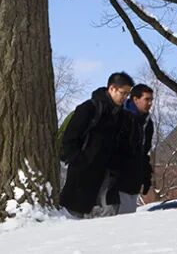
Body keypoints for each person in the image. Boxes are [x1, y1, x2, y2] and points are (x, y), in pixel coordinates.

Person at [59, 72, 135, 217]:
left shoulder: (121, 116)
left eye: (127, 94)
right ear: (112, 88)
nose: (125, 97)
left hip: (107, 176)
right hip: (82, 175)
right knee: (75, 216)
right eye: (123, 93)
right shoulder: (89, 109)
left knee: (108, 216)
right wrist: (80, 160)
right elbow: (69, 139)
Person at [114, 83, 155, 214]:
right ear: (135, 99)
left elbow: (144, 152)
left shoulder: (148, 123)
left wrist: (146, 174)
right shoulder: (119, 117)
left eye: (151, 100)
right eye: (146, 99)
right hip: (116, 181)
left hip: (133, 182)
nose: (150, 103)